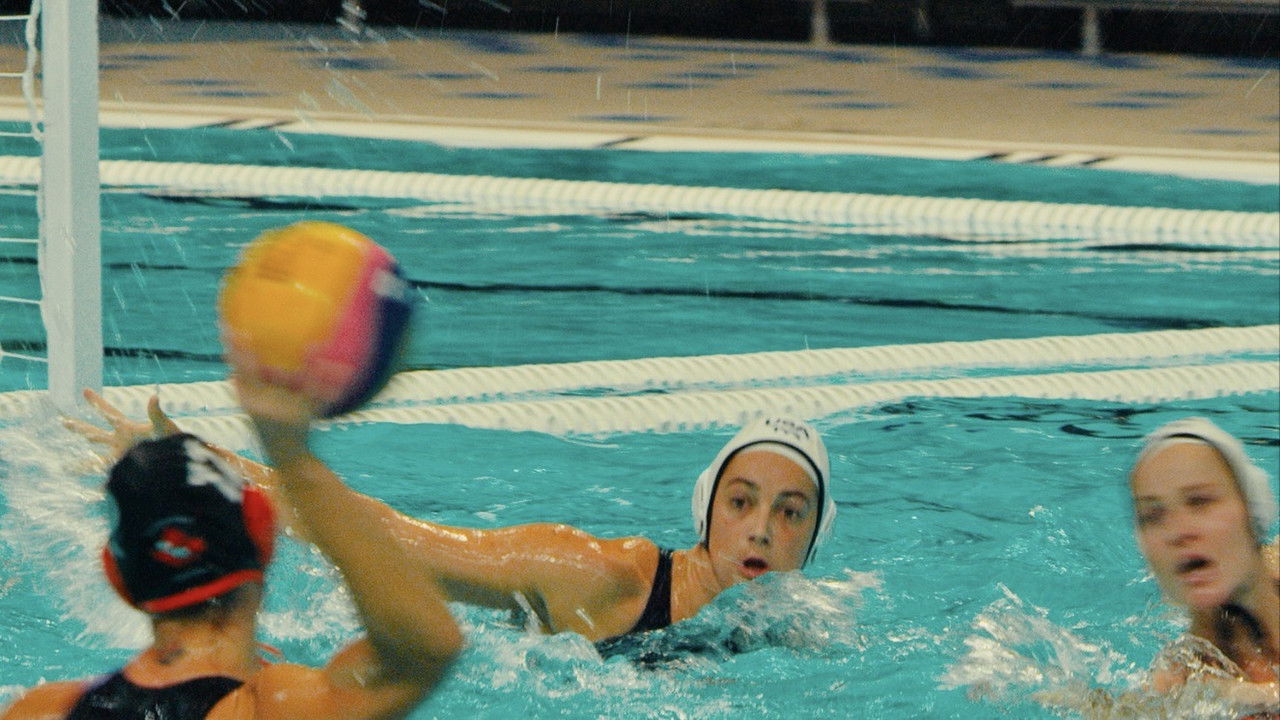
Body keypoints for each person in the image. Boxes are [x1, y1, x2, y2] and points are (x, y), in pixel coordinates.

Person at [66, 389, 837, 647]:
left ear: (814, 536)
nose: (761, 529)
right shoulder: (596, 576)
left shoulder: (806, 625)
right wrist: (209, 470)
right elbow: (390, 539)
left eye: (789, 512)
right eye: (741, 502)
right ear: (707, 510)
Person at [2, 369, 463, 719]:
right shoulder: (276, 706)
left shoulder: (42, 709)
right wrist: (291, 455)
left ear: (116, 577)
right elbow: (427, 644)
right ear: (266, 542)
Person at [1129, 416, 1279, 710]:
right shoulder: (1179, 682)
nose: (1178, 531)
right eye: (1153, 516)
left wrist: (1253, 697)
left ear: (1252, 513)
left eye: (1200, 501)